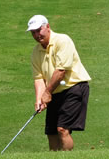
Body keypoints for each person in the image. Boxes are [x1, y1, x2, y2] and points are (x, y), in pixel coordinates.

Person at [27, 15, 91, 151]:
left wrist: (47, 92)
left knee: (62, 129)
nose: (37, 35)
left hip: (74, 87)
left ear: (48, 27)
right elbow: (38, 78)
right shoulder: (35, 52)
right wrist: (39, 99)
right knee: (51, 132)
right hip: (54, 91)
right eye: (33, 32)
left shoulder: (63, 40)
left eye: (39, 30)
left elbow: (61, 71)